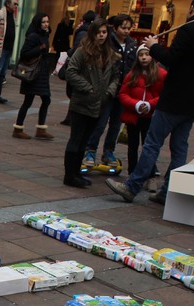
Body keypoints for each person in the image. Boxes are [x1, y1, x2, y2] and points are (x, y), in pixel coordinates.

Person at [106, 0, 194, 204]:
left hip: (173, 99)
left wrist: (154, 47)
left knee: (152, 144)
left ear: (192, 9)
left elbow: (171, 58)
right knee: (179, 148)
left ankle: (132, 187)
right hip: (192, 102)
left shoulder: (188, 30)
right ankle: (168, 191)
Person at [62, 18, 119, 188]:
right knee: (76, 138)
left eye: (104, 32)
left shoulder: (109, 54)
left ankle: (76, 172)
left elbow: (116, 76)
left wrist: (109, 91)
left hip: (99, 103)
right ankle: (69, 174)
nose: (101, 36)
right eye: (98, 32)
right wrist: (87, 88)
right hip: (82, 102)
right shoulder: (82, 51)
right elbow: (70, 72)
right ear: (92, 33)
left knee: (85, 140)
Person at [83, 14, 137, 170]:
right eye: (123, 28)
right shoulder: (108, 43)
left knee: (116, 125)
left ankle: (108, 151)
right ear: (115, 28)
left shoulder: (132, 45)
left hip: (124, 92)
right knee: (100, 123)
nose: (126, 31)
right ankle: (91, 150)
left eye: (129, 28)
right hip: (107, 90)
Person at [118, 44, 165, 175]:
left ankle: (149, 172)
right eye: (141, 55)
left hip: (151, 117)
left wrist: (150, 105)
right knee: (132, 145)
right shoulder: (132, 74)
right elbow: (123, 93)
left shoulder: (161, 74)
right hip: (133, 116)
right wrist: (136, 104)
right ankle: (132, 171)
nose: (144, 57)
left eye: (147, 54)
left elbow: (164, 95)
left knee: (148, 145)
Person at [12, 13, 54, 141]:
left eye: (47, 21)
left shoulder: (44, 35)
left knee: (46, 100)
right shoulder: (34, 36)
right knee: (28, 101)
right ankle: (18, 128)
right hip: (33, 73)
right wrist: (40, 48)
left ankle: (41, 128)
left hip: (41, 73)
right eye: (43, 22)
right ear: (38, 23)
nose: (46, 24)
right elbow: (24, 54)